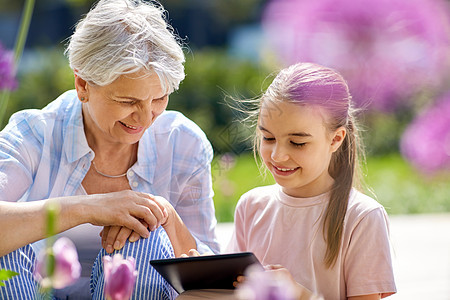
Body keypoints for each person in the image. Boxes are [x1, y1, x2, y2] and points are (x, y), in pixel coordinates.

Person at [0, 0, 219, 299]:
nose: (144, 118)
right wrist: (91, 208)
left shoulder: (183, 143)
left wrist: (165, 215)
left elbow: (212, 278)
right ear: (82, 85)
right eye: (128, 102)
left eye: (159, 98)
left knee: (146, 236)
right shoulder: (34, 134)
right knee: (8, 249)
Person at [224, 62, 397, 299]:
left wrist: (299, 295)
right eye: (268, 138)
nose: (277, 155)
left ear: (335, 139)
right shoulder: (251, 206)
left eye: (298, 143)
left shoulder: (362, 217)